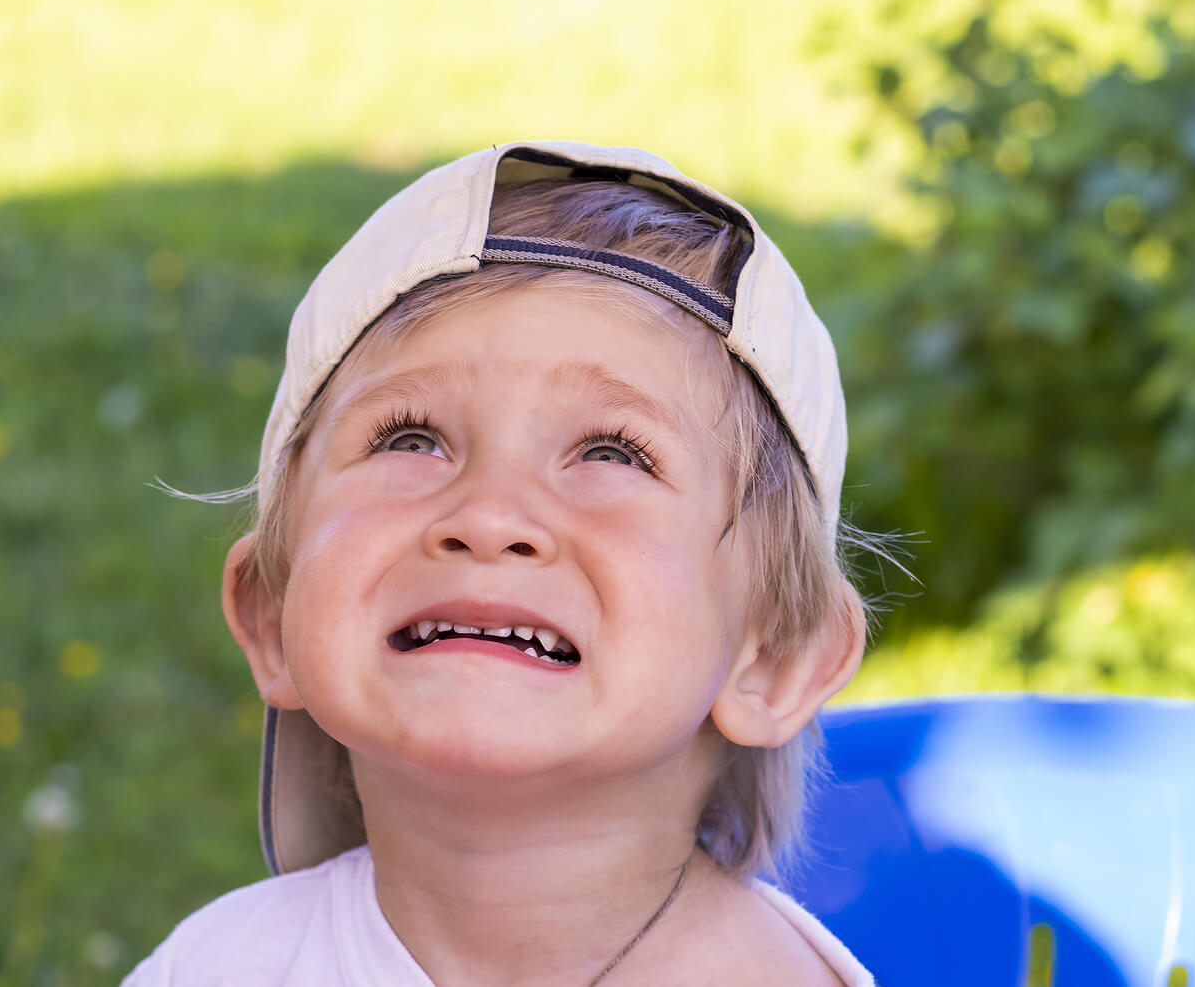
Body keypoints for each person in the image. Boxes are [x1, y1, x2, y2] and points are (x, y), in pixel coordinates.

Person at [124, 140, 890, 986]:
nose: (488, 516)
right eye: (411, 438)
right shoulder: (216, 966)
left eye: (612, 452)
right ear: (273, 611)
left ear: (776, 656)